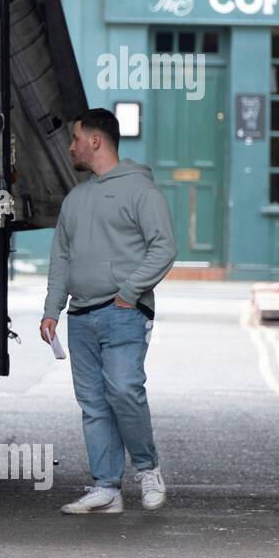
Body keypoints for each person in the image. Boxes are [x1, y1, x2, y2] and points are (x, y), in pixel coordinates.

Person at [39, 108, 177, 514]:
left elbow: (164, 248)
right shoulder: (75, 199)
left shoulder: (141, 191)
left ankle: (148, 470)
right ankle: (107, 489)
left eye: (76, 138)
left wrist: (130, 292)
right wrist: (52, 310)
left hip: (123, 313)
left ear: (96, 141)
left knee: (123, 390)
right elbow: (61, 259)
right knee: (94, 404)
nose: (71, 146)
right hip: (80, 317)